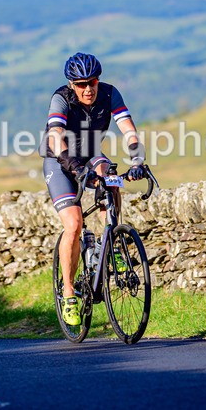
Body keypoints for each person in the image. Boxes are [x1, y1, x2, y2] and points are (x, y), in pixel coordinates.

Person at [40, 52, 147, 326]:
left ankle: (110, 243)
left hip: (90, 154)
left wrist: (137, 161)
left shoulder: (110, 94)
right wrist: (76, 169)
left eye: (92, 82)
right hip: (59, 161)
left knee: (111, 177)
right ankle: (68, 294)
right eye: (81, 84)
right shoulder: (61, 98)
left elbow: (129, 130)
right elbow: (55, 138)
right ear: (72, 84)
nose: (88, 89)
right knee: (74, 225)